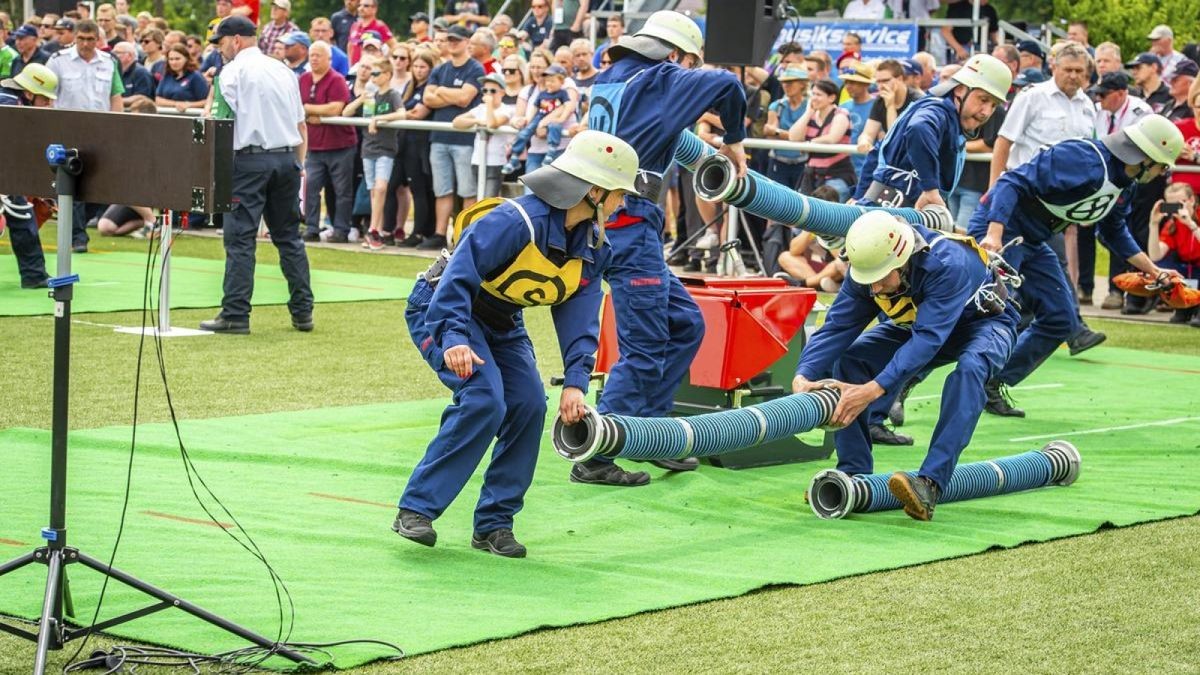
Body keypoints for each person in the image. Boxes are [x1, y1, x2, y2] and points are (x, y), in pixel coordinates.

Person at [393, 130, 639, 557]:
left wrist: (576, 382)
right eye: (619, 194)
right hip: (444, 308)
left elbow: (581, 316)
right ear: (595, 192)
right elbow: (457, 279)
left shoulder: (596, 247)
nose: (623, 204)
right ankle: (416, 509)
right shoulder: (512, 221)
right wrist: (452, 337)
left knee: (529, 404)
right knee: (484, 399)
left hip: (501, 321)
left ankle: (494, 524)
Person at [579, 10, 748, 486]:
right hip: (629, 224)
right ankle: (596, 449)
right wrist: (734, 144)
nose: (689, 73)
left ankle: (653, 435)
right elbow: (730, 87)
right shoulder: (661, 76)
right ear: (675, 54)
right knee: (647, 344)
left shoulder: (612, 77)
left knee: (685, 323)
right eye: (689, 62)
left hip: (615, 222)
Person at [793, 211, 1019, 521]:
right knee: (850, 360)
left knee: (969, 372)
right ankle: (854, 473)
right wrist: (803, 375)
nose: (873, 290)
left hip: (984, 324)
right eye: (867, 282)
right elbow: (836, 327)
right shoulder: (871, 269)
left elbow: (927, 341)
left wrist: (873, 390)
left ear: (903, 260)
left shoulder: (948, 264)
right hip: (920, 325)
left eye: (880, 281)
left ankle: (929, 483)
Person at [971, 115, 1185, 417]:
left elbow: (1113, 232)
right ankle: (898, 386)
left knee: (1062, 319)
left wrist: (1155, 271)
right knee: (975, 312)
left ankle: (992, 383)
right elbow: (1011, 182)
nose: (1164, 172)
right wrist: (994, 233)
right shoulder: (1083, 158)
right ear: (1145, 157)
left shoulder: (1126, 185)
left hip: (1035, 238)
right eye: (1163, 164)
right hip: (1003, 227)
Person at [200, 16, 313, 335]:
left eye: (221, 43)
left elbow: (219, 126)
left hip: (248, 162)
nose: (220, 50)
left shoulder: (230, 72)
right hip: (285, 158)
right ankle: (303, 311)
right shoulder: (283, 69)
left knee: (240, 239)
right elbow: (300, 124)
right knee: (289, 237)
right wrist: (298, 165)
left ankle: (235, 314)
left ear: (235, 40)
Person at [853, 54, 1011, 210]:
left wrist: (859, 199)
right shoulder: (938, 112)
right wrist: (930, 189)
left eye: (993, 105)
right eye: (983, 100)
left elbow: (878, 152)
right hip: (894, 213)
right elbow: (918, 129)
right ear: (960, 89)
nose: (986, 112)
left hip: (892, 209)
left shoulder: (946, 116)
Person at [47, 19, 123, 254]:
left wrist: (118, 126)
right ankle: (78, 237)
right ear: (74, 36)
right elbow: (48, 96)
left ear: (98, 39)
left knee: (98, 184)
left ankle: (78, 231)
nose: (86, 44)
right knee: (73, 183)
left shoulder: (109, 62)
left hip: (100, 130)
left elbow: (116, 95)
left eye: (91, 39)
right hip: (68, 129)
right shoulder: (58, 61)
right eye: (81, 38)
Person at [419, 24, 484, 251]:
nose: (452, 43)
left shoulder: (475, 68)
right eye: (449, 39)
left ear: (467, 41)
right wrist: (451, 95)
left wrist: (442, 92)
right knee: (442, 189)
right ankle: (440, 234)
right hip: (439, 137)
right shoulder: (440, 68)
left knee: (467, 190)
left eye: (457, 39)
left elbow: (466, 98)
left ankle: (465, 234)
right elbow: (428, 99)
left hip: (464, 139)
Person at [0, 63, 55, 289]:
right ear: (30, 93)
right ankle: (34, 275)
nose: (49, 105)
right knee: (22, 217)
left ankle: (34, 275)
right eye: (45, 99)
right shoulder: (9, 106)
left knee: (22, 216)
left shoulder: (15, 103)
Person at [345, 57, 406, 250]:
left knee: (380, 188)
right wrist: (361, 99)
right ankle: (375, 230)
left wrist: (378, 119)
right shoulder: (370, 95)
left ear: (387, 75)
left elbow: (401, 113)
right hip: (368, 149)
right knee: (373, 191)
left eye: (376, 73)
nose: (372, 77)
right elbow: (346, 113)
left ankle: (373, 229)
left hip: (385, 149)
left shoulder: (392, 94)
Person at [300, 40, 357, 244]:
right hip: (314, 146)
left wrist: (310, 109)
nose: (314, 58)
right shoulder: (304, 79)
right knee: (311, 188)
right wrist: (311, 111)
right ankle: (312, 227)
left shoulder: (337, 79)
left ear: (329, 59)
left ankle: (341, 229)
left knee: (342, 190)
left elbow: (336, 108)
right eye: (312, 54)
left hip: (340, 145)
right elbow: (297, 106)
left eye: (318, 55)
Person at [394, 48, 438, 247]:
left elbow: (417, 113)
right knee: (411, 188)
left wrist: (399, 114)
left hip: (420, 146)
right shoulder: (410, 87)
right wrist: (403, 113)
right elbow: (406, 111)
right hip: (406, 144)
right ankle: (418, 229)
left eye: (424, 67)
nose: (419, 70)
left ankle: (420, 231)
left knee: (420, 190)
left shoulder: (429, 88)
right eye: (417, 66)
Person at [788, 78, 857, 202]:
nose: (814, 98)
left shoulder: (841, 114)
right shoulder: (812, 116)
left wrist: (808, 144)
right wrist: (808, 112)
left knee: (829, 212)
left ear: (831, 98)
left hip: (837, 174)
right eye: (813, 94)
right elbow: (793, 137)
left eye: (818, 95)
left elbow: (832, 138)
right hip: (811, 175)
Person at [453, 72, 513, 199]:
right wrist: (477, 121)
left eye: (492, 91)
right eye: (485, 90)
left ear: (502, 92)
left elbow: (492, 124)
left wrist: (489, 105)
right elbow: (457, 122)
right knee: (477, 199)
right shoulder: (479, 109)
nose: (488, 94)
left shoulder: (506, 109)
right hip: (477, 160)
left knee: (488, 201)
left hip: (495, 162)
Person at [1147, 182, 1200, 324]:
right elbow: (1155, 256)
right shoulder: (1172, 224)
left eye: (1181, 202)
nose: (1177, 208)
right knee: (1162, 266)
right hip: (1189, 271)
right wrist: (1153, 224)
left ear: (1192, 200)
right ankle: (1184, 307)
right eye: (1171, 204)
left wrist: (1191, 224)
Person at [501, 63, 569, 174]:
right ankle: (514, 156)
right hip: (539, 117)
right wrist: (527, 119)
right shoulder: (542, 94)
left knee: (555, 127)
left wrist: (561, 118)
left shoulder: (563, 93)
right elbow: (534, 107)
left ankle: (551, 151)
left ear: (561, 82)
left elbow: (567, 106)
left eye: (552, 81)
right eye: (547, 81)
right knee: (525, 132)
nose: (549, 84)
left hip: (552, 119)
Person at [855, 59, 921, 155]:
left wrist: (890, 106)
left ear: (900, 79)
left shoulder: (917, 101)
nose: (881, 86)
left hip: (915, 156)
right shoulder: (880, 101)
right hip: (895, 158)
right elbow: (868, 133)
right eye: (878, 82)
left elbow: (895, 138)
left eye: (885, 81)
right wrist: (864, 141)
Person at [155, 44, 209, 111]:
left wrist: (189, 105)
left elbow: (206, 101)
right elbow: (158, 99)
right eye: (171, 59)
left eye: (177, 59)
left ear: (186, 58)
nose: (174, 62)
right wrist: (176, 104)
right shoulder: (167, 76)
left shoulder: (195, 76)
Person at [348, 0, 391, 65]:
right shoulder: (355, 25)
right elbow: (350, 46)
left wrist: (384, 64)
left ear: (375, 9)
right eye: (359, 5)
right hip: (356, 69)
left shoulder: (380, 26)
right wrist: (350, 65)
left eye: (366, 6)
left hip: (372, 69)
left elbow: (393, 46)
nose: (361, 8)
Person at [112, 40, 153, 106]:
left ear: (130, 56)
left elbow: (142, 97)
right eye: (113, 53)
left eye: (117, 53)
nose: (114, 56)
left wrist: (117, 101)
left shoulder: (141, 72)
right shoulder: (115, 71)